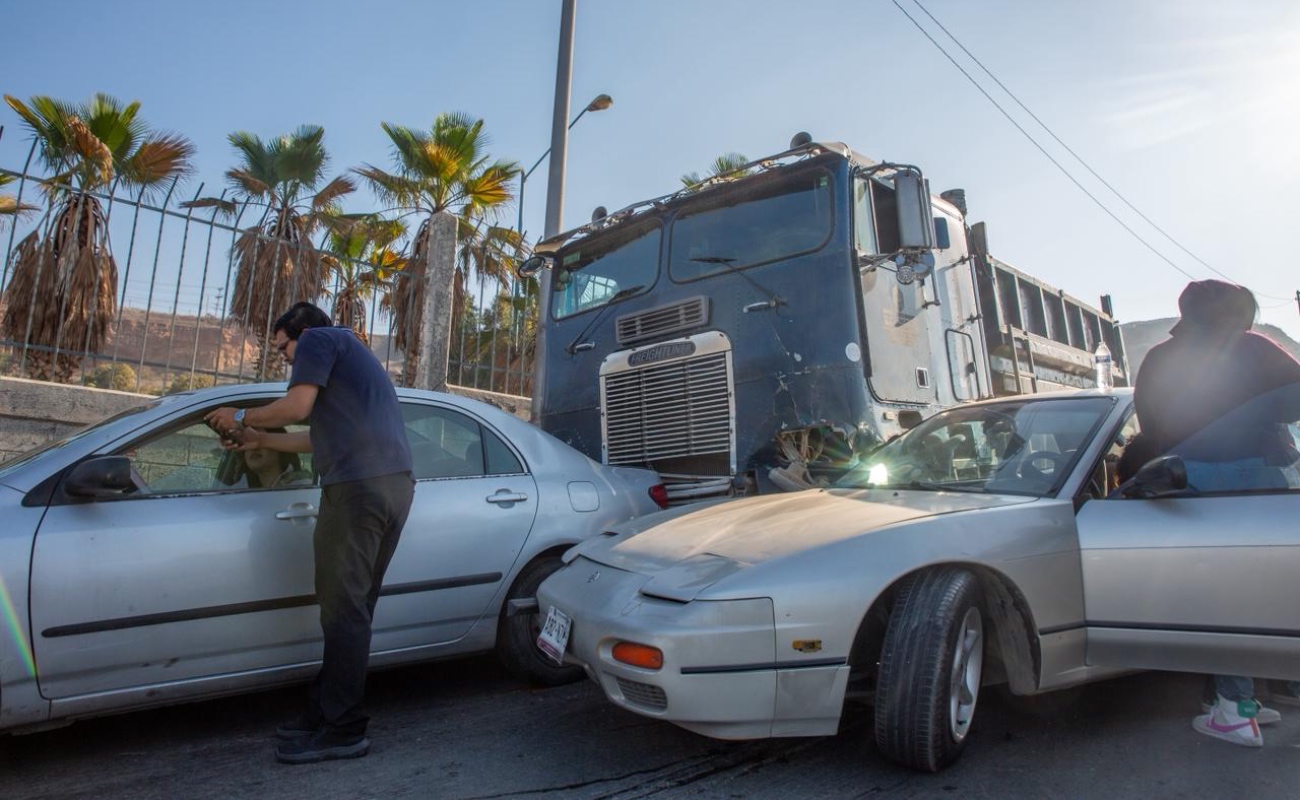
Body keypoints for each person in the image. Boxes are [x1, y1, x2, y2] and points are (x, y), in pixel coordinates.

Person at [206, 302, 414, 765]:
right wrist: (260, 440)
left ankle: (344, 730)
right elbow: (313, 437)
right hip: (389, 486)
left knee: (343, 612)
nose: (283, 358)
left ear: (302, 332)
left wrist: (240, 417)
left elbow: (296, 407)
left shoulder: (322, 339)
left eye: (283, 347)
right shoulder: (350, 366)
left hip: (357, 490)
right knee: (352, 610)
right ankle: (326, 712)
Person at [1133, 279, 1300, 748]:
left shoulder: (1159, 360)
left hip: (1195, 481)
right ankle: (1242, 700)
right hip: (1267, 478)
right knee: (1269, 589)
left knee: (1222, 593)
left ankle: (1236, 708)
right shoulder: (1254, 349)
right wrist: (1258, 417)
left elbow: (1150, 434)